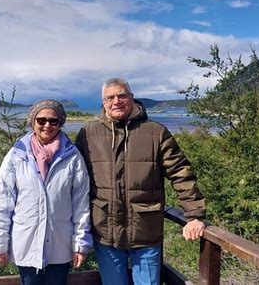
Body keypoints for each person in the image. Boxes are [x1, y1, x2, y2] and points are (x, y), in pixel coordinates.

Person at [75, 78, 206, 285]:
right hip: (105, 230)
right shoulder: (88, 134)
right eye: (110, 97)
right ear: (103, 102)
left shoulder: (156, 132)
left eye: (122, 95)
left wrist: (194, 215)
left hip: (146, 230)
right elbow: (76, 181)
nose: (116, 101)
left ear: (132, 98)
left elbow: (181, 173)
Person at [0, 99, 92, 285]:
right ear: (32, 121)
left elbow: (81, 204)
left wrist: (81, 243)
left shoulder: (73, 157)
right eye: (41, 120)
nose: (47, 125)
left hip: (61, 242)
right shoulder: (16, 155)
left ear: (60, 123)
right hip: (25, 241)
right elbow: (3, 202)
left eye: (53, 121)